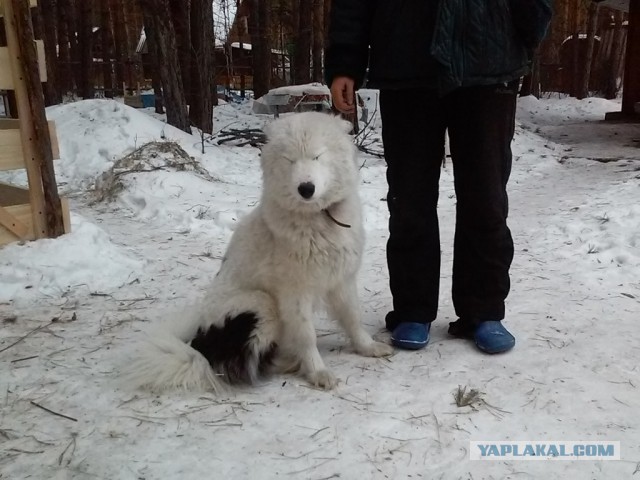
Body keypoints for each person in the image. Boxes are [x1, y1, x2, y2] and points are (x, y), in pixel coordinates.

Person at [325, 0, 552, 353]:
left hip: (488, 62)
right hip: (406, 61)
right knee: (409, 197)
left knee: (486, 197)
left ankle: (484, 310)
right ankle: (413, 309)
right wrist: (344, 61)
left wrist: (524, 29)